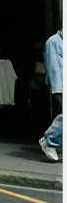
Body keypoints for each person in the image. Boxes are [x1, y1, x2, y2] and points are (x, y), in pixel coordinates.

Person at [39, 29, 62, 161]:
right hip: (61, 85)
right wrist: (57, 89)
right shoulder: (53, 42)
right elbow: (53, 67)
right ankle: (49, 141)